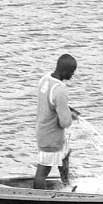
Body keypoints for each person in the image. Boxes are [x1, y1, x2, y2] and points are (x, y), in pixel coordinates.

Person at [34, 54, 80, 189]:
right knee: (43, 170)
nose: (73, 75)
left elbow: (51, 103)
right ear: (65, 71)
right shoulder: (60, 89)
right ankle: (37, 197)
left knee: (64, 157)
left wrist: (67, 109)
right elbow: (64, 122)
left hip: (43, 130)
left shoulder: (45, 79)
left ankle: (67, 186)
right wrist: (70, 116)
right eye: (72, 72)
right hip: (51, 137)